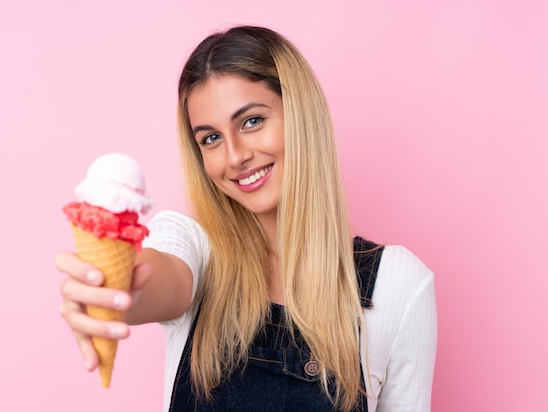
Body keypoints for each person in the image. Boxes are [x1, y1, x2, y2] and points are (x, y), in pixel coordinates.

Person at [56, 25, 437, 412]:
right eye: (211, 138)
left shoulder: (399, 284)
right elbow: (159, 280)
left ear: (301, 115)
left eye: (252, 121)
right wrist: (114, 292)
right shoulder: (196, 247)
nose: (235, 156)